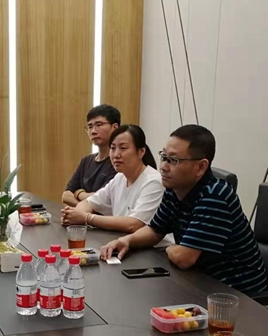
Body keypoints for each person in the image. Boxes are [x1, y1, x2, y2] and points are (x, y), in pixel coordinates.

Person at [101, 125, 268, 294]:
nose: (163, 167)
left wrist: (170, 248)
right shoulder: (174, 190)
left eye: (173, 160)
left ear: (201, 167)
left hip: (239, 296)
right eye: (163, 157)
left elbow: (183, 258)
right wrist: (127, 241)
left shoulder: (216, 196)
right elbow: (155, 230)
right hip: (200, 282)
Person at [62, 125, 163, 233]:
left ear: (141, 152)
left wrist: (87, 218)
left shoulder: (153, 181)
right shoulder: (119, 178)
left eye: (123, 148)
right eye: (113, 148)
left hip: (149, 244)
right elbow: (88, 203)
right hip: (120, 240)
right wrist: (75, 216)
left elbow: (134, 224)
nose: (116, 155)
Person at [62, 104, 121, 206]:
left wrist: (79, 193)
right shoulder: (86, 161)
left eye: (99, 125)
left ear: (115, 127)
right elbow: (66, 195)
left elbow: (104, 200)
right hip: (84, 215)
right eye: (90, 127)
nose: (93, 131)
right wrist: (84, 209)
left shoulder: (118, 161)